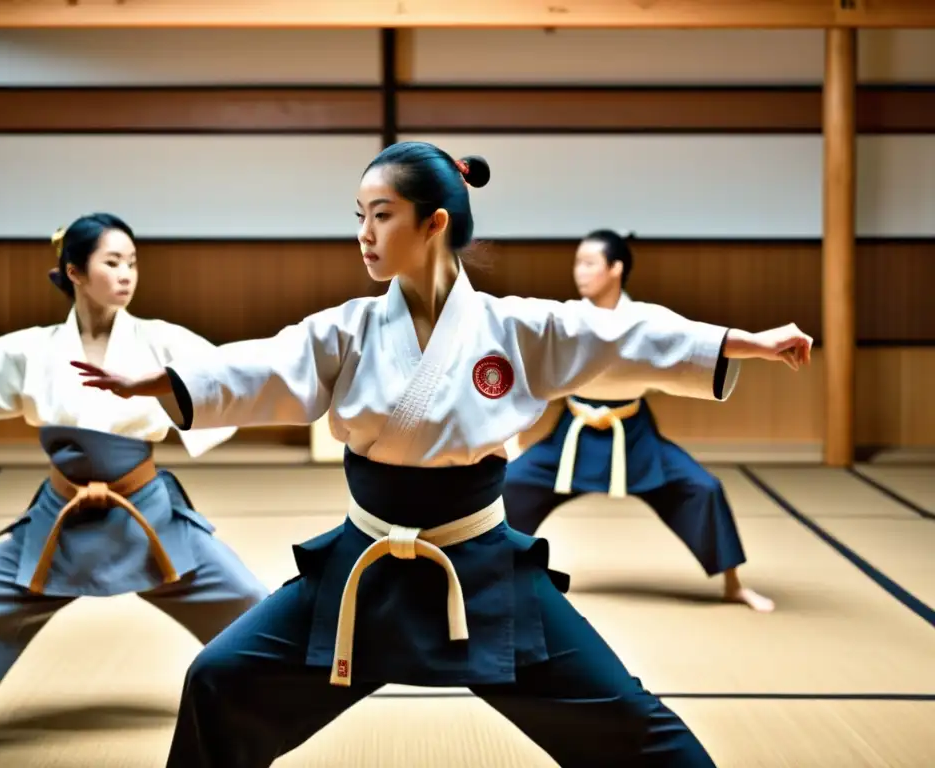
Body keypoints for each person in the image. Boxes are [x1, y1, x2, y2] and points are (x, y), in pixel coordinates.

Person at [77, 143, 812, 767]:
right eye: (357, 217)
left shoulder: (514, 328)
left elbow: (626, 338)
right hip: (361, 574)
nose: (363, 233)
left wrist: (739, 341)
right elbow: (266, 369)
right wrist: (169, 382)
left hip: (482, 570)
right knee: (217, 680)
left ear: (434, 223)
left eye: (381, 215)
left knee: (635, 727)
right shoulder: (349, 330)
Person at [0, 213, 270, 752]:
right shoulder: (35, 350)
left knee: (247, 598)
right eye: (112, 262)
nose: (127, 274)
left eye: (132, 263)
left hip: (144, 513)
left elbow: (231, 377)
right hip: (63, 515)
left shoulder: (159, 342)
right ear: (74, 272)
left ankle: (262, 713)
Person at [502, 230, 775, 612]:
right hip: (573, 433)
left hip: (633, 434)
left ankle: (733, 584)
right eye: (576, 262)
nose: (578, 271)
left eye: (588, 263)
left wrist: (761, 344)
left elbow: (691, 341)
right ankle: (495, 575)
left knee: (702, 488)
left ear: (616, 269)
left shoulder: (646, 318)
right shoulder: (565, 317)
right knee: (510, 484)